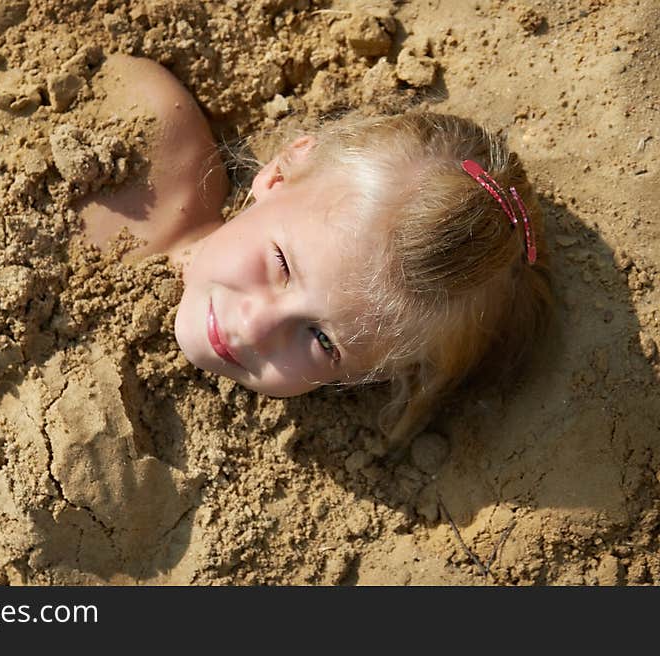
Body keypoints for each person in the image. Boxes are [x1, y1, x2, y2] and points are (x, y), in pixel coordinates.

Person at [75, 55, 552, 452]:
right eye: (281, 263)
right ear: (281, 171)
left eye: (323, 342)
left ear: (373, 375)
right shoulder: (148, 130)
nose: (257, 328)